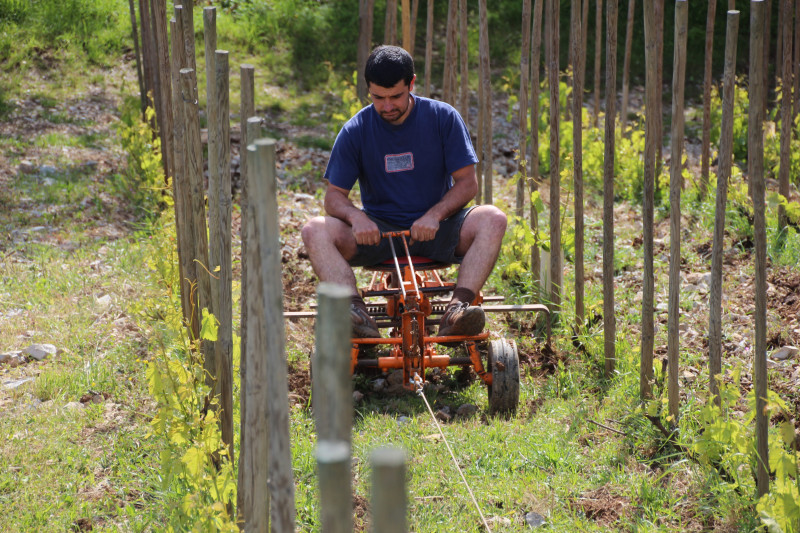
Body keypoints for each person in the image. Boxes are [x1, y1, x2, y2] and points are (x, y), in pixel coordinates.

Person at [301, 45, 507, 339]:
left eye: (395, 96)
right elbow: (333, 196)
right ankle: (357, 316)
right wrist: (356, 217)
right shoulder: (355, 130)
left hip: (438, 227)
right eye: (378, 98)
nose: (386, 106)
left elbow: (467, 183)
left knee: (493, 218)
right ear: (368, 90)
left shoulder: (442, 118)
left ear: (411, 84)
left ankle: (458, 310)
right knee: (313, 230)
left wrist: (435, 215)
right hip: (380, 233)